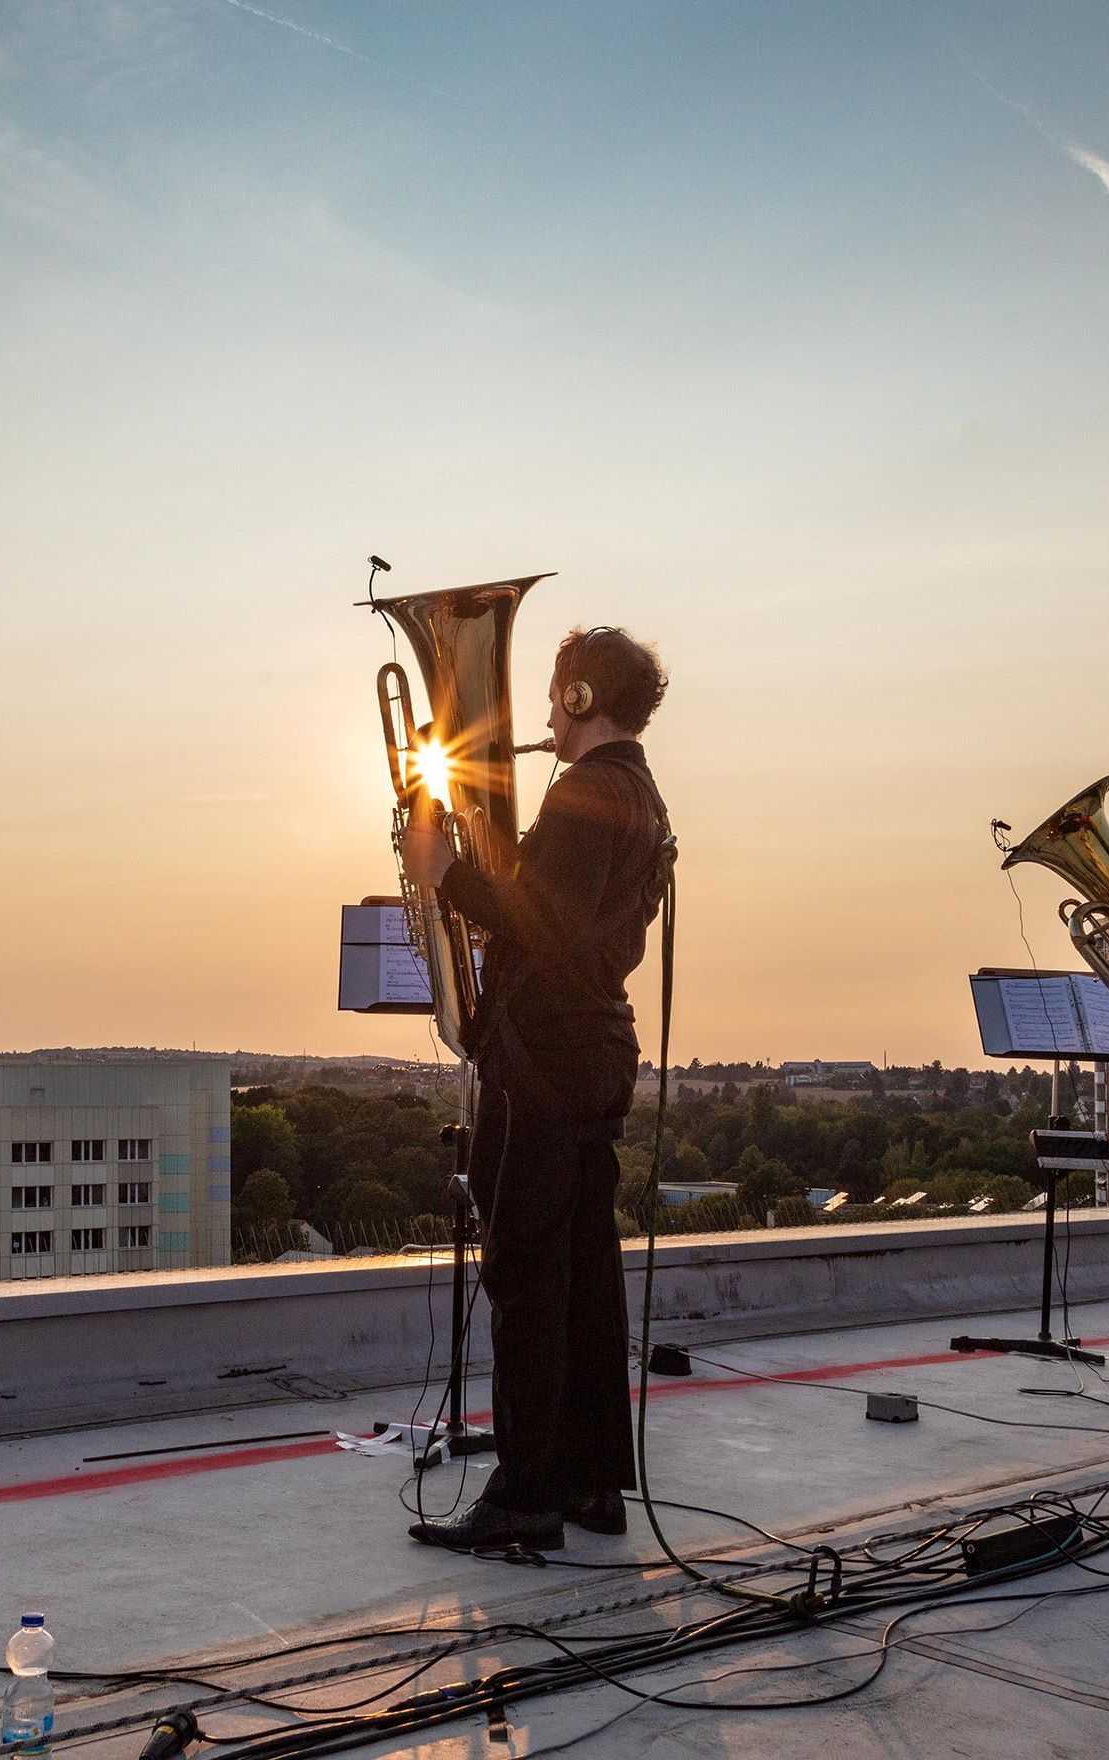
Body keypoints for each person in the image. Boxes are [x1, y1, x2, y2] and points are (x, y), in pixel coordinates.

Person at [396, 627, 673, 1552]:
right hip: (590, 1050)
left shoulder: (591, 792)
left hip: (545, 1058)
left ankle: (525, 1497)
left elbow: (540, 922)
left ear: (582, 699)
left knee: (524, 1272)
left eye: (557, 697)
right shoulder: (635, 792)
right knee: (583, 1274)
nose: (546, 716)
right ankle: (592, 1482)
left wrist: (447, 873)